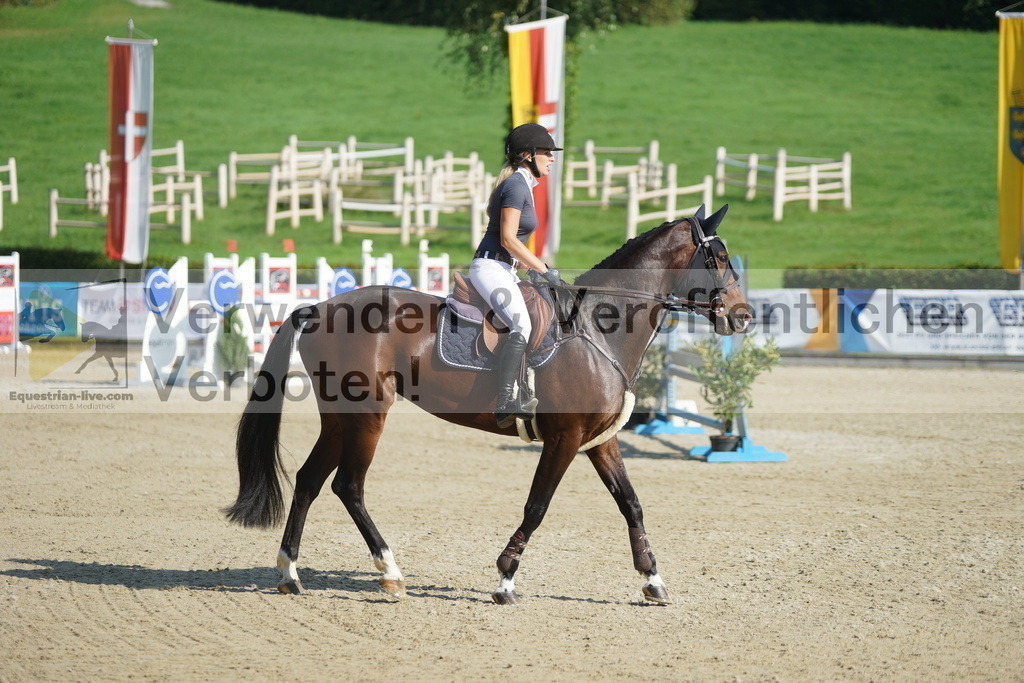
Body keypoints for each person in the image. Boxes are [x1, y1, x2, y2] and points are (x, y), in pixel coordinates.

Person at [471, 122, 564, 428]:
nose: (551, 158)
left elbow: (512, 246)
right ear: (527, 155)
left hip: (503, 268)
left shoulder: (522, 184)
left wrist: (532, 269)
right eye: (546, 152)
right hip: (490, 267)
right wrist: (544, 269)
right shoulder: (516, 186)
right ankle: (505, 399)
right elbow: (509, 240)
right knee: (521, 322)